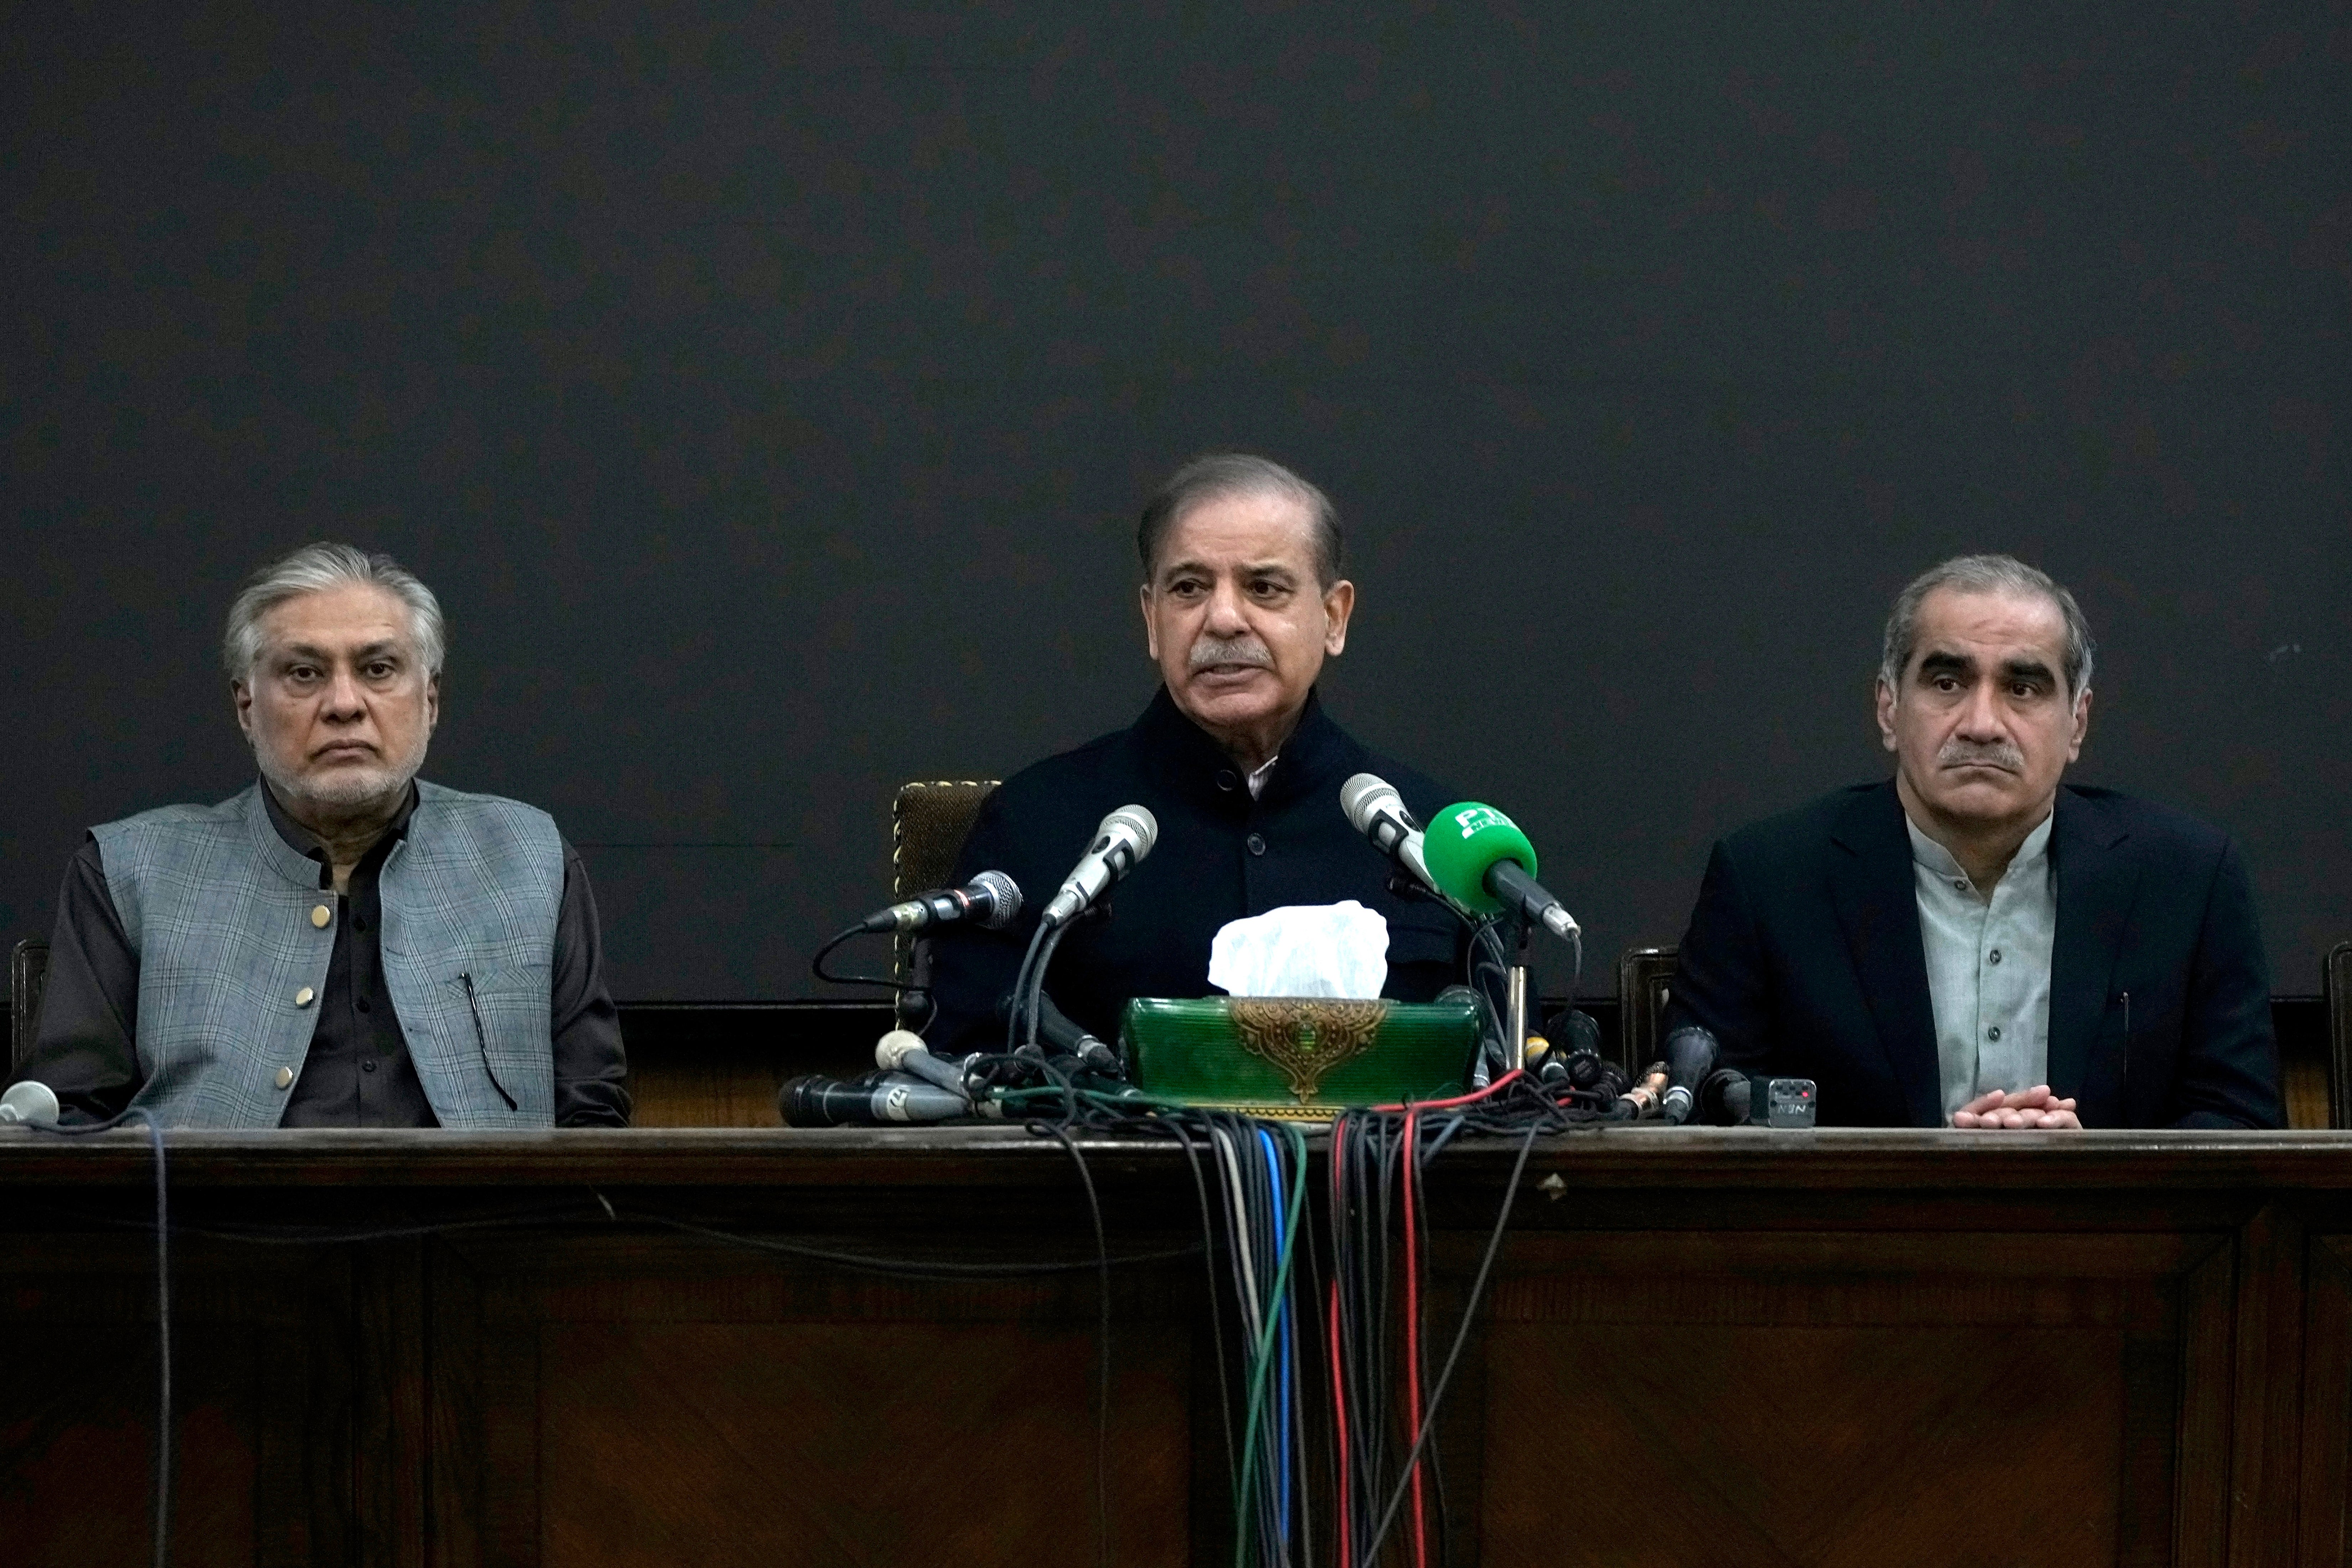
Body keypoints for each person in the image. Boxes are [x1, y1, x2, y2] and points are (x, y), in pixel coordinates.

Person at [12, 543, 630, 1128]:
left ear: (432, 700)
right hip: (217, 1233)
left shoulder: (529, 857)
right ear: (247, 707)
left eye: (378, 669)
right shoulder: (127, 872)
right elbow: (70, 1123)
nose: (344, 703)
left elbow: (592, 1111)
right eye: (305, 673)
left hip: (477, 1234)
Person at [1663, 553, 2280, 1130]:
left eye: (2024, 688)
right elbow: (1708, 1116)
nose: (1983, 725)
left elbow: (2243, 1124)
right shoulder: (1768, 879)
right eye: (1948, 683)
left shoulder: (2189, 882)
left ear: (2077, 724)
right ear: (1888, 708)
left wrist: (2095, 1171)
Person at [925, 453, 1464, 1055]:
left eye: (1265, 588)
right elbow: (964, 1075)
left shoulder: (1437, 840)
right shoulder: (1034, 823)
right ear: (1153, 619)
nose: (1225, 619)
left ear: (1334, 617)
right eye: (1190, 588)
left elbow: (1505, 1083)